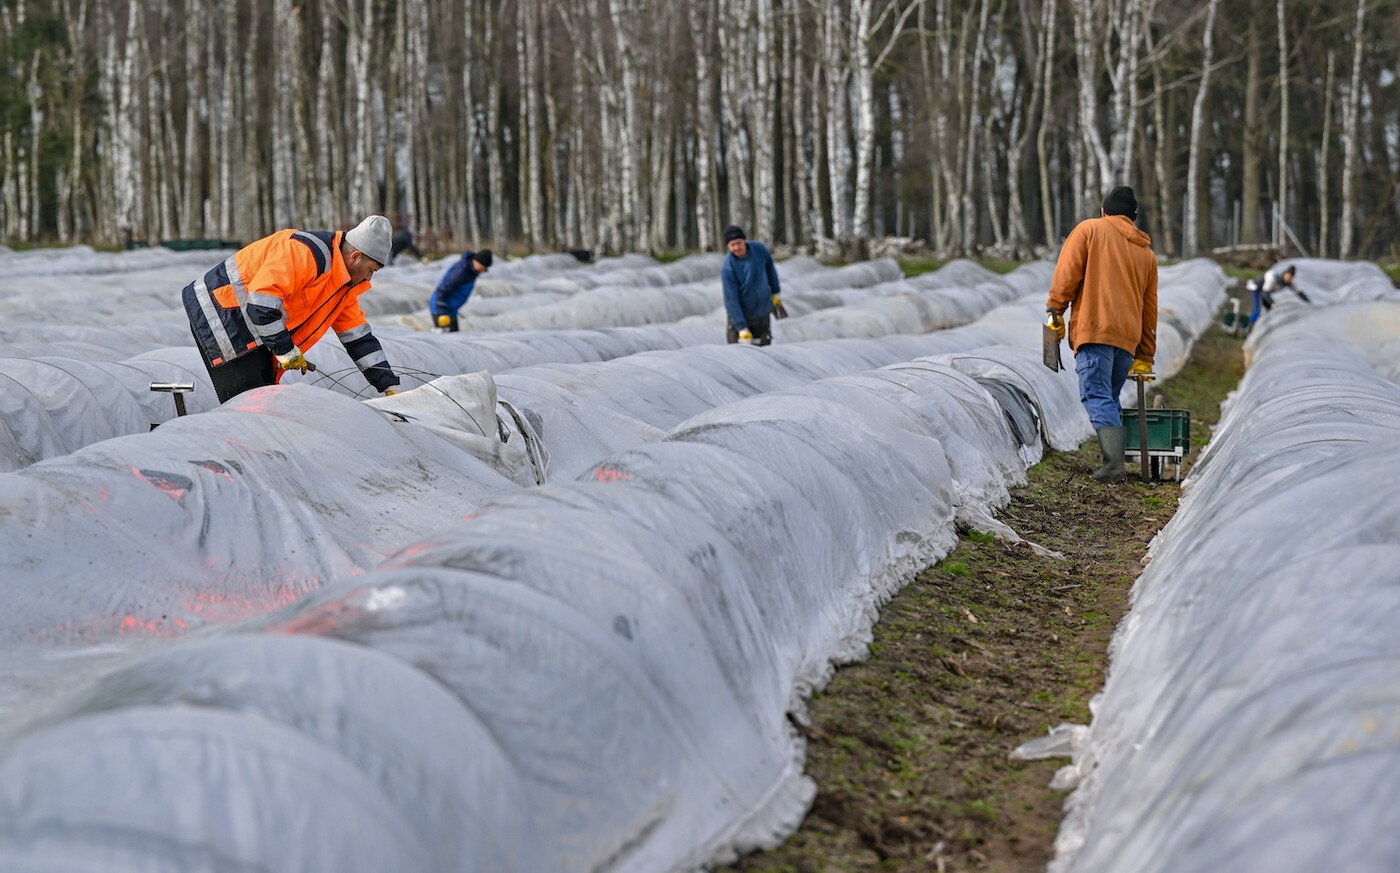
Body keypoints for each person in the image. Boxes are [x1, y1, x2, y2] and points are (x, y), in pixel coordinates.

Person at [182, 215, 402, 403]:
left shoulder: (343, 287)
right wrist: (285, 350)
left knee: (265, 403)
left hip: (248, 324)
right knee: (251, 406)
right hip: (221, 314)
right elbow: (261, 304)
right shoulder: (307, 252)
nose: (369, 278)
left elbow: (358, 338)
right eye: (371, 270)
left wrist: (388, 385)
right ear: (355, 257)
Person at [1046, 185, 1159, 480]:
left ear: (1103, 211)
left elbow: (1067, 274)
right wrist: (1145, 354)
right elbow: (1150, 308)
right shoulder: (1147, 254)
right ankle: (1114, 460)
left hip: (1095, 331)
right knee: (1109, 396)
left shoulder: (1089, 230)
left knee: (1095, 394)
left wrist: (1056, 310)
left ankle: (1114, 465)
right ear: (1133, 218)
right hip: (1127, 340)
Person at [720, 225, 783, 346]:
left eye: (739, 243)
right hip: (741, 315)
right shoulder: (728, 268)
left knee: (764, 350)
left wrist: (776, 291)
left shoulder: (759, 249)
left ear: (744, 241)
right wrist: (741, 327)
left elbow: (770, 268)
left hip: (762, 312)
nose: (737, 247)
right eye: (733, 245)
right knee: (739, 353)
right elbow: (731, 299)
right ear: (728, 246)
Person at [428, 249, 492, 332]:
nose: (483, 271)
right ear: (476, 262)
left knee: (455, 336)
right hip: (441, 309)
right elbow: (442, 290)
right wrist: (442, 313)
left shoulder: (472, 271)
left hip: (451, 310)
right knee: (446, 337)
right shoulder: (461, 272)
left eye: (485, 269)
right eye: (482, 268)